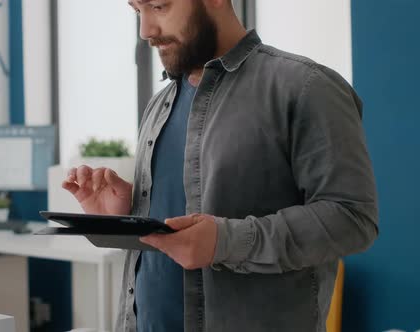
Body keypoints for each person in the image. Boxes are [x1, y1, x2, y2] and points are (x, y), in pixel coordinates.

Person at [62, 0, 379, 331]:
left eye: (158, 6)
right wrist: (128, 212)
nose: (146, 31)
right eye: (137, 10)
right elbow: (177, 228)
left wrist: (225, 242)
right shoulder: (159, 105)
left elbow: (353, 218)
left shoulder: (306, 88)